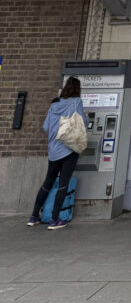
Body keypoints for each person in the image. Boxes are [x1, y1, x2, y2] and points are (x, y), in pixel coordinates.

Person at [27, 76, 86, 229]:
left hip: (53, 150)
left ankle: (33, 216)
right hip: (68, 149)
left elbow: (46, 127)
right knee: (63, 185)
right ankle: (55, 220)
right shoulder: (76, 102)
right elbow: (83, 123)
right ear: (77, 89)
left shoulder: (54, 103)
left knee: (47, 183)